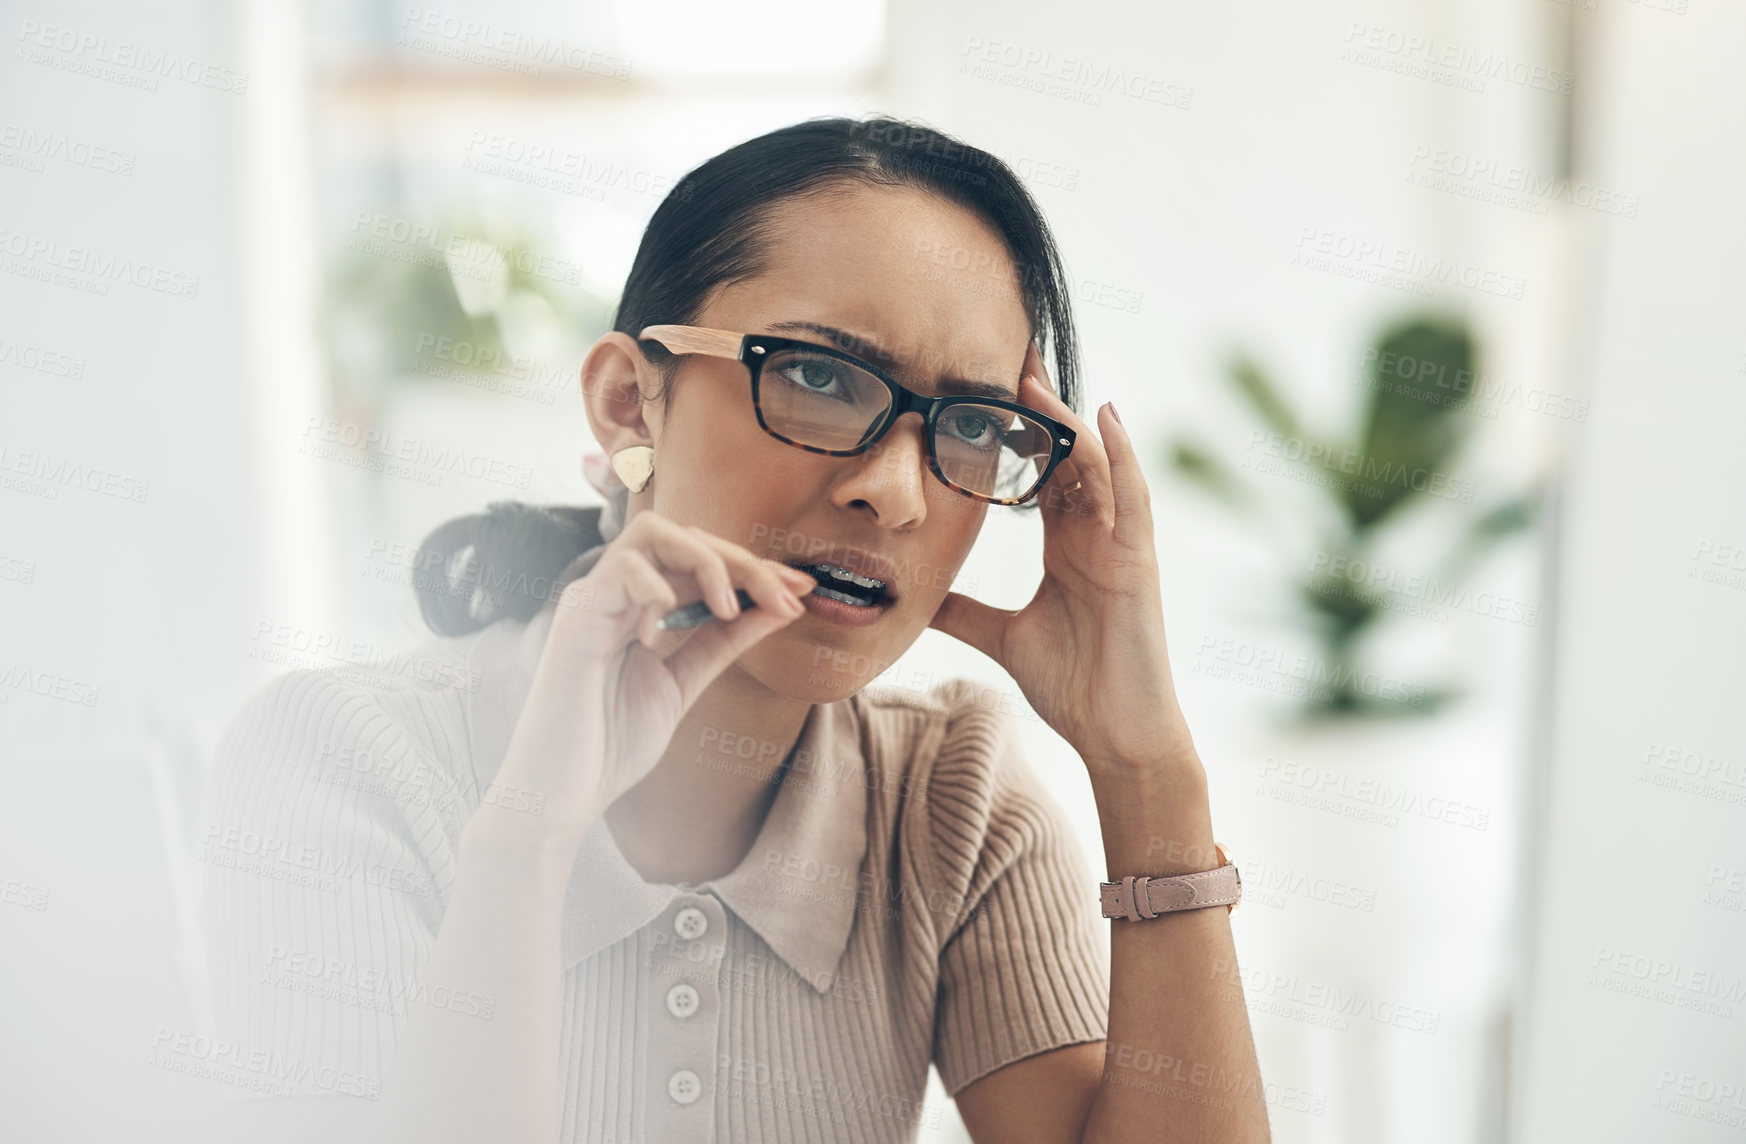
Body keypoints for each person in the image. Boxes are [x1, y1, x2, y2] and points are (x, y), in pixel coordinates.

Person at [200, 115, 1270, 1144]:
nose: (895, 493)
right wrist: (528, 836)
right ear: (630, 404)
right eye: (817, 375)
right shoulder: (338, 760)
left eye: (973, 424)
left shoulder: (951, 796)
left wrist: (1147, 771)